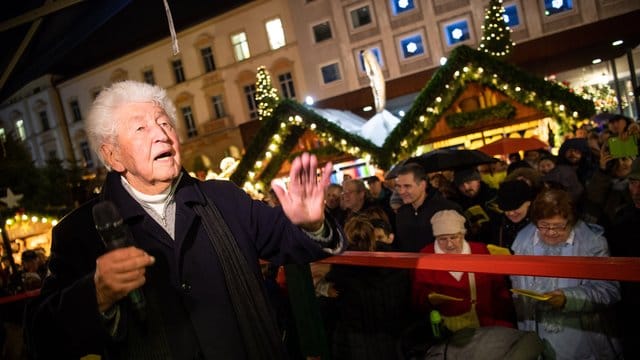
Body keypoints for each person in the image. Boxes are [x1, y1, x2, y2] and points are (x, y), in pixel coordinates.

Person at [24, 81, 345, 359]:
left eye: (164, 123)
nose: (161, 135)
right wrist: (95, 294)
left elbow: (293, 244)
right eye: (141, 128)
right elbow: (42, 339)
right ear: (113, 156)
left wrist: (310, 224)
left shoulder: (224, 199)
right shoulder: (79, 233)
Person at [510, 188, 623, 359]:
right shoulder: (522, 242)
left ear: (570, 221)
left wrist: (568, 298)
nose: (551, 232)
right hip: (537, 331)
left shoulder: (592, 243)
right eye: (544, 226)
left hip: (581, 337)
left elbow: (609, 289)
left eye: (558, 226)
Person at [412, 210, 515, 332]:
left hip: (485, 324)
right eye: (442, 239)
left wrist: (504, 323)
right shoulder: (425, 256)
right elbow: (417, 297)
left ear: (463, 234)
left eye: (454, 237)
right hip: (446, 329)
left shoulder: (480, 251)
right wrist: (429, 299)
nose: (449, 244)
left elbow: (499, 289)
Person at [394, 163, 462, 252]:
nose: (401, 191)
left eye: (407, 186)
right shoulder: (401, 213)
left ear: (422, 185)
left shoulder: (447, 209)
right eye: (399, 187)